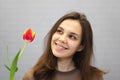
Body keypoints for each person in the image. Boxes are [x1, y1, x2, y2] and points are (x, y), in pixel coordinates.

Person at [23, 11, 105, 80]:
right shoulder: (32, 76)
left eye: (72, 37)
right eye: (59, 31)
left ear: (81, 46)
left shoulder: (94, 77)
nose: (62, 39)